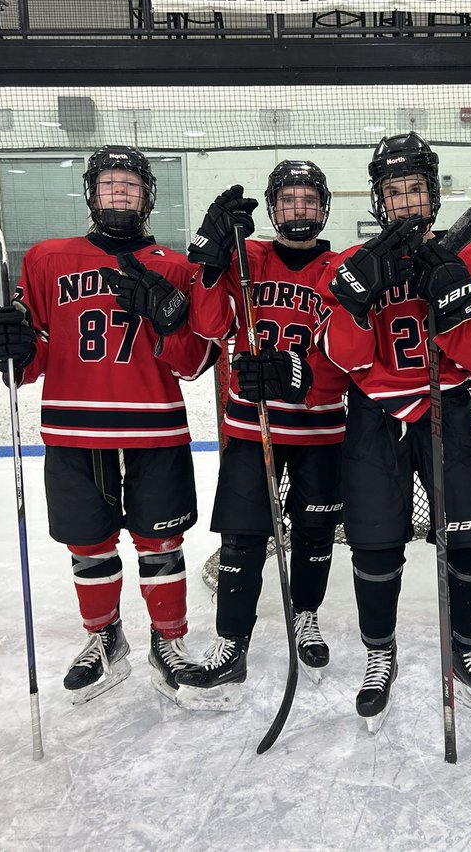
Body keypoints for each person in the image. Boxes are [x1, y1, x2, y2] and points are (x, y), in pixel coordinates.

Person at [0, 145, 217, 707]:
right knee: (88, 542)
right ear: (91, 192)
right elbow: (30, 362)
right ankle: (104, 637)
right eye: (109, 184)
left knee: (162, 541)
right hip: (73, 430)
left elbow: (190, 363)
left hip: (155, 427)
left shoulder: (176, 266)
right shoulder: (45, 260)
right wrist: (7, 348)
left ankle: (168, 641)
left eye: (130, 186)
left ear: (147, 196)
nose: (119, 193)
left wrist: (167, 323)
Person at [314, 132, 471, 729]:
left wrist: (454, 301)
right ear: (380, 201)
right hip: (374, 417)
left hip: (447, 410)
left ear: (433, 194)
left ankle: (468, 651)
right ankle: (381, 654)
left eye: (415, 190)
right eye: (394, 192)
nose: (405, 202)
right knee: (376, 544)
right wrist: (353, 302)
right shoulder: (348, 265)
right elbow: (343, 360)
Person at [181, 161, 348, 709]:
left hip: (321, 428)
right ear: (271, 208)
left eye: (308, 200)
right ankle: (232, 639)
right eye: (288, 200)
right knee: (243, 536)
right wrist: (207, 261)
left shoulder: (344, 266)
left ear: (324, 208)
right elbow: (209, 326)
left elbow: (347, 350)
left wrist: (300, 374)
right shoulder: (245, 258)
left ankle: (305, 616)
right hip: (252, 427)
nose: (298, 209)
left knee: (315, 533)